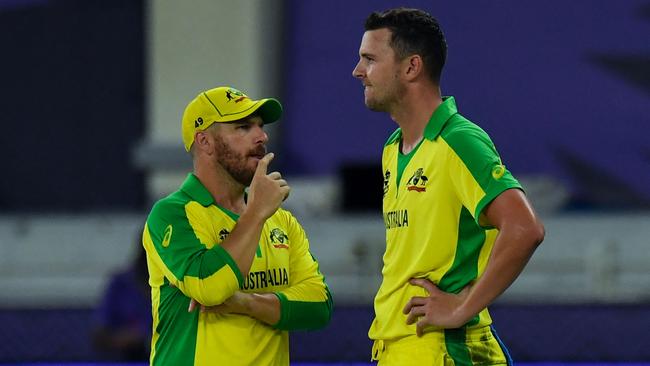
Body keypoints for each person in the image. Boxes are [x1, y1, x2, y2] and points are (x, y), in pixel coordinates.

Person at [352, 8, 545, 365]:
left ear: (411, 67)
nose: (358, 71)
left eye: (369, 59)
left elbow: (524, 228)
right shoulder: (393, 149)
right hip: (398, 347)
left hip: (443, 349)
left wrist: (461, 308)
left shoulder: (459, 140)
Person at [141, 86, 333, 366]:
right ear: (204, 141)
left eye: (260, 126)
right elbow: (210, 285)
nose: (262, 136)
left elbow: (319, 306)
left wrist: (246, 303)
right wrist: (255, 213)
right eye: (243, 127)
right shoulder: (172, 214)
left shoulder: (280, 220)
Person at [92, 240, 151, 361]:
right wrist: (130, 338)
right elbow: (99, 335)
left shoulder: (176, 285)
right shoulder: (121, 284)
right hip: (125, 359)